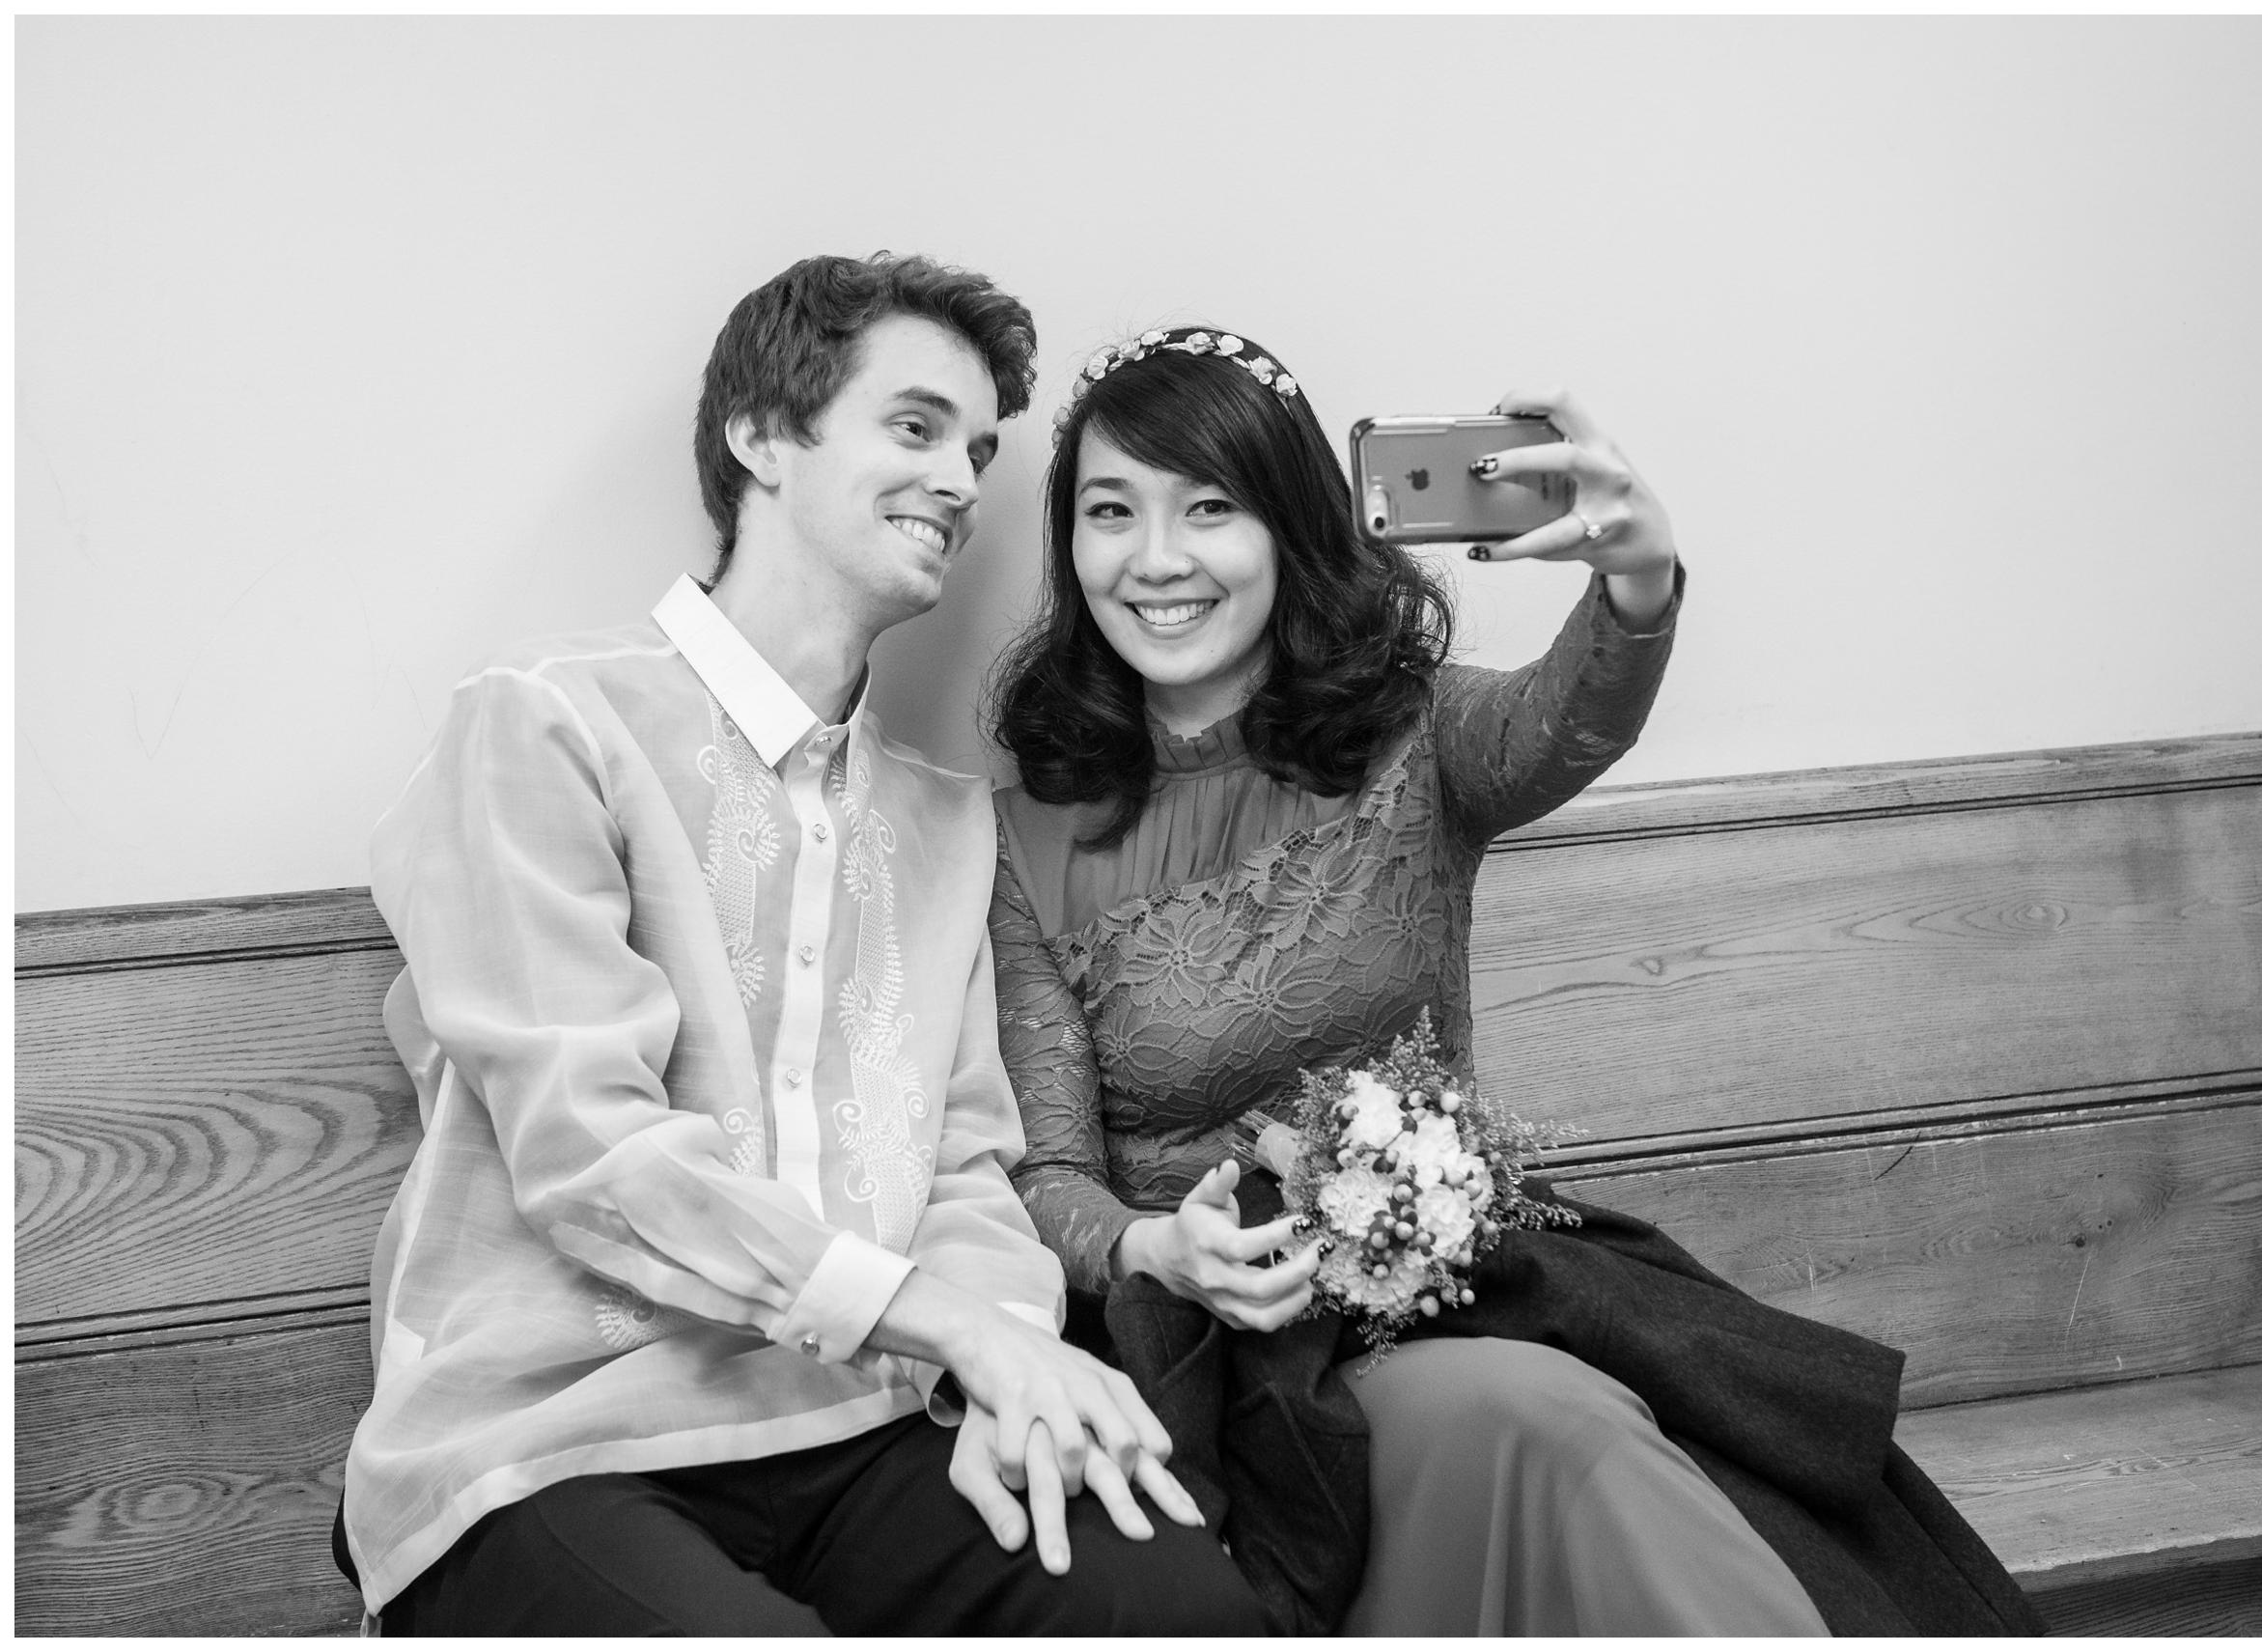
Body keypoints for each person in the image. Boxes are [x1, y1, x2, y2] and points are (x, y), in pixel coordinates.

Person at [985, 326, 2044, 1635]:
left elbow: (1573, 717)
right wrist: (1162, 1250)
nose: (1156, 560)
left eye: (1210, 508)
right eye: (1110, 512)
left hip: (1457, 1300)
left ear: (1291, 528)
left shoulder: (1418, 737)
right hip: (1210, 1368)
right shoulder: (1023, 836)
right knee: (1544, 1426)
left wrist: (1639, 579)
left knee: (1591, 1435)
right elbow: (1045, 1178)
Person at [332, 259, 1269, 1637]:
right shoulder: (543, 726)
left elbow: (962, 1160)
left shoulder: (948, 824)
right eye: (915, 428)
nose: (961, 477)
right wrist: (950, 1330)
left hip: (866, 1426)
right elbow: (592, 1155)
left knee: (1181, 1604)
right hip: (550, 1452)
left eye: (979, 449)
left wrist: (994, 1364)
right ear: (761, 437)